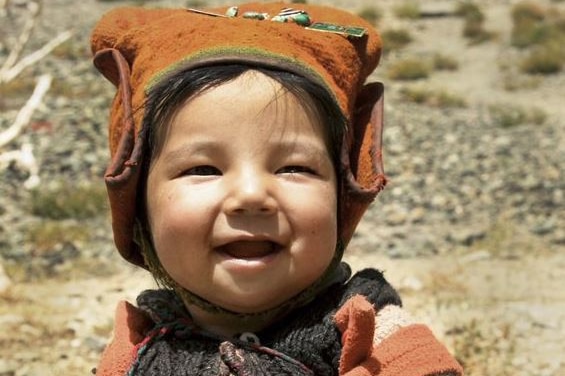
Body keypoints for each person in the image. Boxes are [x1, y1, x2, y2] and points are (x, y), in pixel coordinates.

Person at [90, 3, 464, 375]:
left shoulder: (376, 340)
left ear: (343, 199)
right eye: (203, 169)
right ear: (139, 210)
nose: (252, 194)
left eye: (294, 168)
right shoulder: (136, 351)